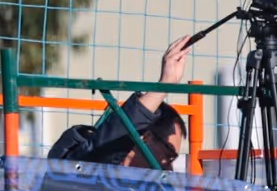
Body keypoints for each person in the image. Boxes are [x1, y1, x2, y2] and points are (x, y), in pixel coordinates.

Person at [46, 36, 193, 170]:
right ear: (145, 138)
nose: (168, 165)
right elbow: (107, 142)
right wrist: (166, 83)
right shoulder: (82, 165)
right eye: (168, 154)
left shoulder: (151, 190)